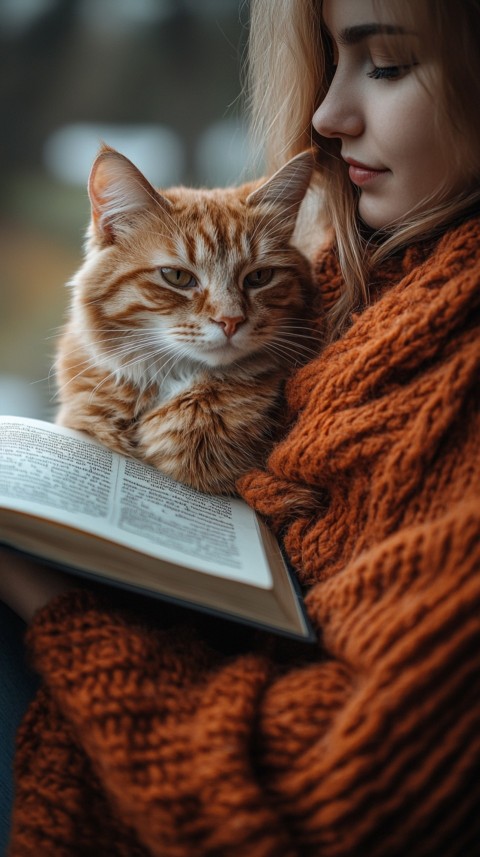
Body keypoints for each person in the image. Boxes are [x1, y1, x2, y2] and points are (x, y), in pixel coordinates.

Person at [1, 0, 479, 853]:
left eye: (389, 63)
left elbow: (335, 798)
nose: (326, 118)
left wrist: (56, 604)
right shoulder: (353, 271)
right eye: (330, 61)